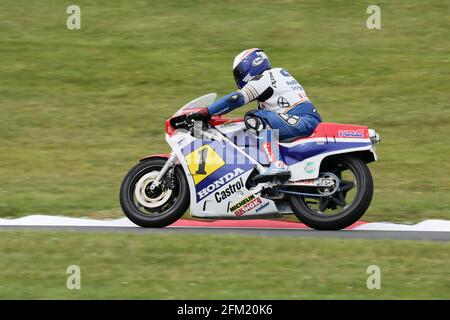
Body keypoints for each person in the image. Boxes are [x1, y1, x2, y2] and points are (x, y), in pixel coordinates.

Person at [189, 48, 322, 181]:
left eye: (239, 72)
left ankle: (277, 164)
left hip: (302, 120)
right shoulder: (277, 74)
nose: (239, 77)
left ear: (250, 64)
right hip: (302, 119)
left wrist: (207, 111)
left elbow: (236, 98)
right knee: (253, 122)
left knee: (253, 117)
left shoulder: (265, 78)